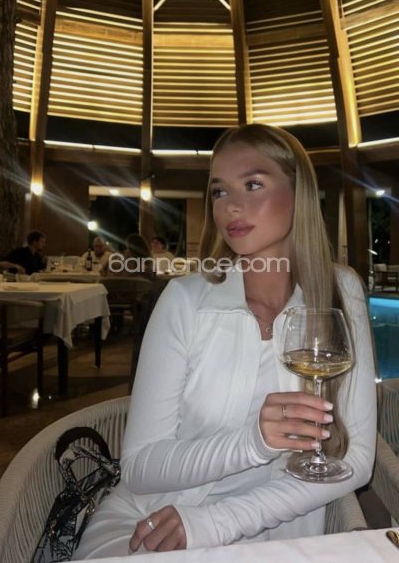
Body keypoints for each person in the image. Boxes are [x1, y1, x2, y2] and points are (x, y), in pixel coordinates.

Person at [73, 124, 376, 559]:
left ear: (299, 193)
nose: (231, 206)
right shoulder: (185, 300)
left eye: (253, 184)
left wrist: (217, 522)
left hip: (277, 524)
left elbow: (356, 459)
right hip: (154, 517)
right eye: (219, 191)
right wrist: (253, 442)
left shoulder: (340, 292)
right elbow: (139, 466)